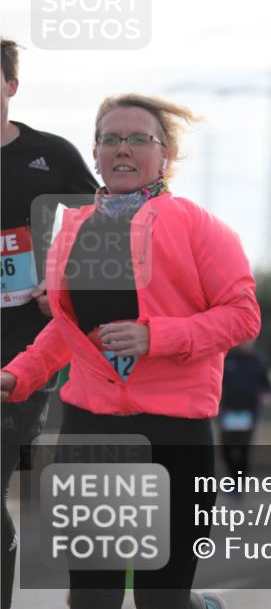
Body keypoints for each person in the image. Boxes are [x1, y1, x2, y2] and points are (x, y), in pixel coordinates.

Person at [1, 93, 260, 609]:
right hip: (90, 428)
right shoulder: (76, 228)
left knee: (160, 599)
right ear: (95, 154)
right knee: (92, 597)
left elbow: (243, 316)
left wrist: (155, 336)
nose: (123, 148)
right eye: (111, 139)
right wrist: (19, 375)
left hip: (172, 430)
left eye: (139, 139)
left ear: (165, 154)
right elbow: (69, 329)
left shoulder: (198, 226)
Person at [0, 37, 98, 609]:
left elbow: (106, 224)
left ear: (11, 86)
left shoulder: (50, 154)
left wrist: (61, 282)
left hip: (24, 350)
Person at [219, 339, 271, 489]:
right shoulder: (228, 358)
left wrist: (267, 395)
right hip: (229, 410)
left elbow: (266, 384)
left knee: (244, 447)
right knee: (226, 446)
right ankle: (232, 476)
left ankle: (239, 481)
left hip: (249, 412)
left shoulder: (259, 360)